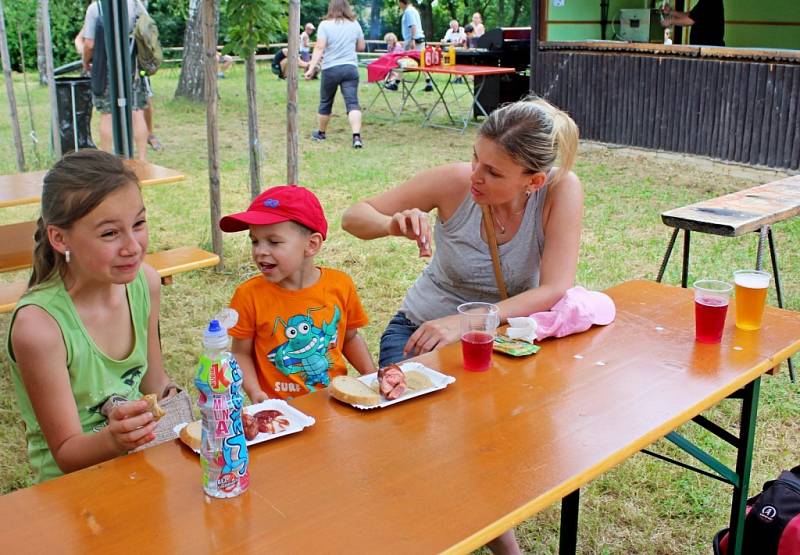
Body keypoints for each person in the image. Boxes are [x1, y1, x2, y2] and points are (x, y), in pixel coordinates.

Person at [341, 97, 581, 553]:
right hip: (420, 330)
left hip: (504, 341)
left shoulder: (561, 191)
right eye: (476, 157)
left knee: (487, 448)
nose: (476, 175)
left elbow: (554, 288)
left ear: (533, 181)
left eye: (493, 172)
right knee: (428, 448)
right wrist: (393, 224)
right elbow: (354, 217)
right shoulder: (453, 183)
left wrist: (468, 321)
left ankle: (490, 534)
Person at [7, 149, 180, 483]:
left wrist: (188, 401)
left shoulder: (145, 282)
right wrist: (115, 438)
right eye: (110, 233)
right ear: (59, 238)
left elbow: (155, 383)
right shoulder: (39, 327)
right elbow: (66, 453)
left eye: (139, 224)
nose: (132, 246)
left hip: (137, 467)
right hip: (70, 491)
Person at [219, 185, 376, 403]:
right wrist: (255, 392)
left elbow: (350, 338)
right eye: (254, 241)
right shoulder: (248, 295)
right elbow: (241, 353)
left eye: (273, 242)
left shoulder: (340, 285)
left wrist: (371, 375)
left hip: (335, 400)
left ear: (311, 245)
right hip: (281, 410)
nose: (260, 251)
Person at [81, 0, 150, 161]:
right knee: (137, 110)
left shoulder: (95, 8)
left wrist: (85, 62)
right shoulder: (135, 4)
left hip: (105, 66)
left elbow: (89, 44)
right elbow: (147, 32)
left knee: (107, 113)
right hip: (132, 63)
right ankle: (142, 159)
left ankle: (107, 159)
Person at [305, 0, 366, 149]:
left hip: (331, 68)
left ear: (331, 8)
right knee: (352, 103)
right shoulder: (355, 24)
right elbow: (361, 47)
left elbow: (320, 47)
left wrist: (311, 68)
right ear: (347, 8)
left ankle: (321, 132)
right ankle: (356, 137)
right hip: (350, 67)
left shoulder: (325, 25)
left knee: (326, 102)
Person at [398, 0, 432, 92]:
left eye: (399, 2)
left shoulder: (409, 11)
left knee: (403, 61)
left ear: (402, 2)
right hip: (418, 39)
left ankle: (395, 83)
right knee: (422, 62)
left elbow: (413, 26)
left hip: (413, 41)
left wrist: (412, 39)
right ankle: (429, 83)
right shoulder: (413, 10)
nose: (398, 4)